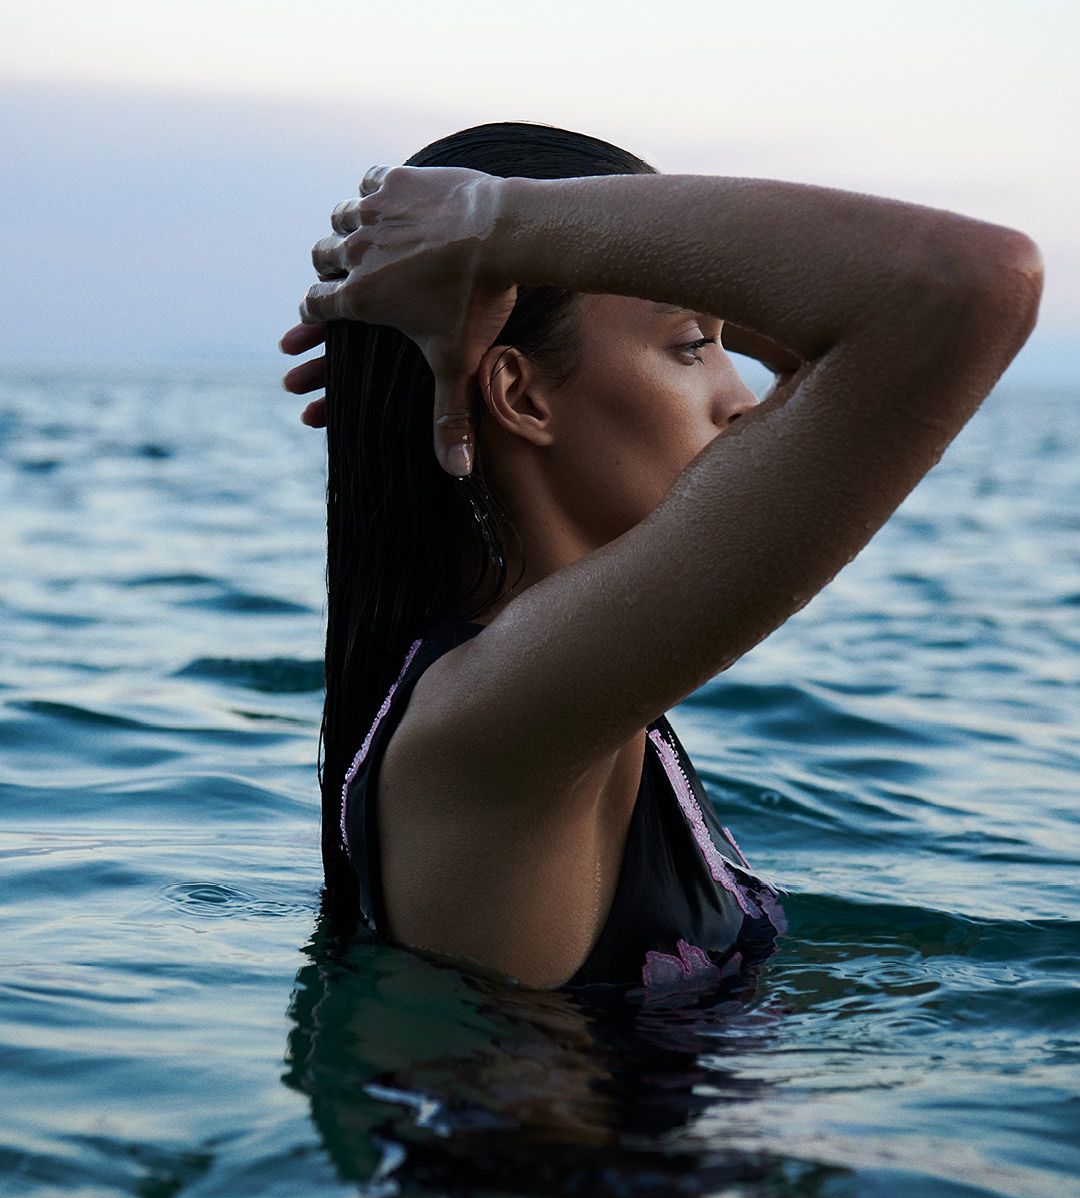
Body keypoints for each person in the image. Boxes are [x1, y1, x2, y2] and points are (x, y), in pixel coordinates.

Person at [278, 121, 1042, 994]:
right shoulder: (496, 713)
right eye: (690, 348)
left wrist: (475, 276)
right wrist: (492, 224)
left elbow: (830, 357)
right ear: (520, 395)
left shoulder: (543, 696)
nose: (746, 401)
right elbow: (964, 286)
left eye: (723, 341)